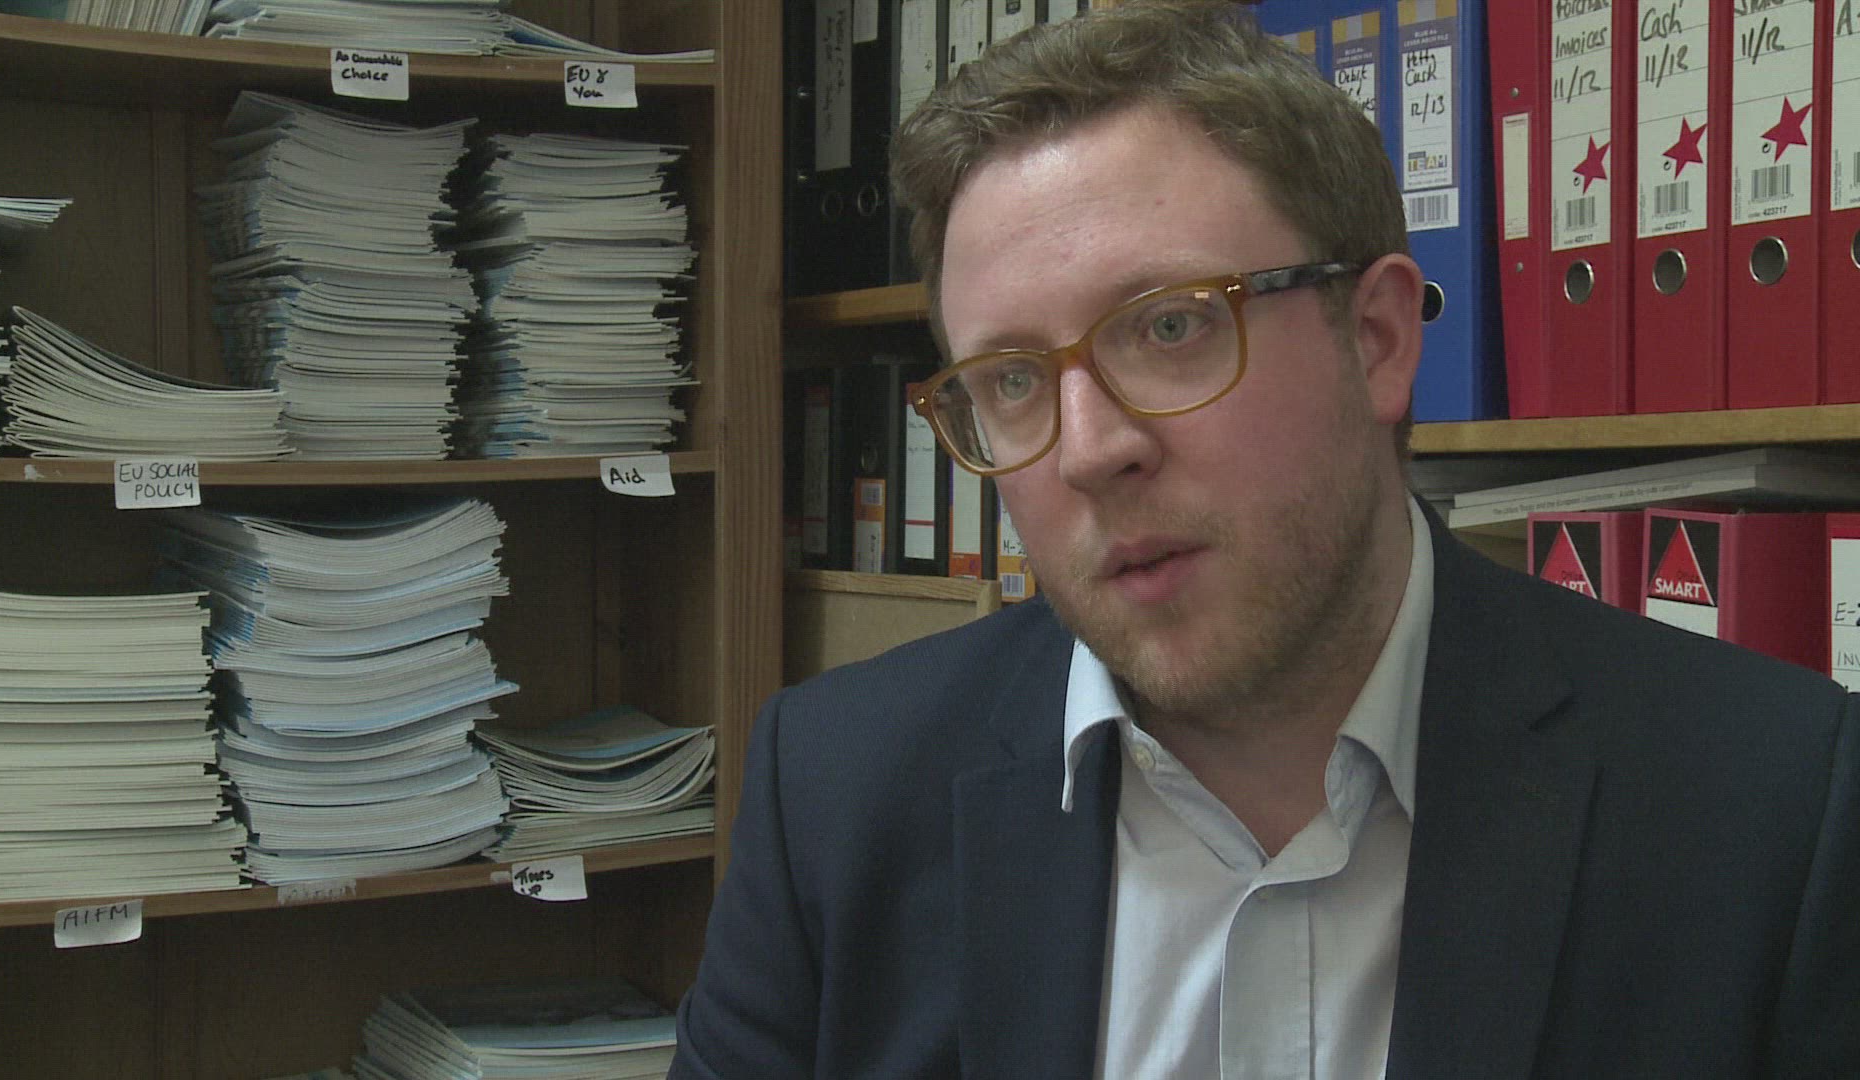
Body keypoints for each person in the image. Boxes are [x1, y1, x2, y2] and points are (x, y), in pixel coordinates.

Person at [670, 2, 1860, 1076]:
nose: (1089, 450)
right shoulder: (835, 794)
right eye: (1014, 380)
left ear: (1378, 339)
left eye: (1170, 327)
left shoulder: (1774, 809)